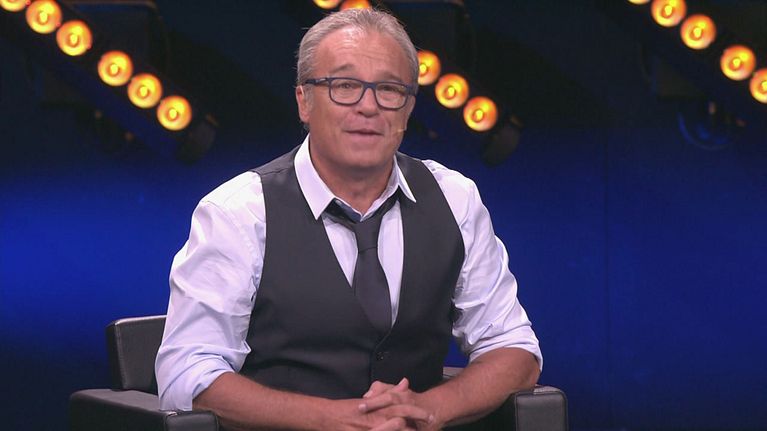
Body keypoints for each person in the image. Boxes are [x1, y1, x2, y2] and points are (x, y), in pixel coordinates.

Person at [156, 8, 542, 431]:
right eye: (344, 86)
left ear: (409, 108)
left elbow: (514, 348)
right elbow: (187, 374)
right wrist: (334, 421)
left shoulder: (455, 199)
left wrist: (428, 409)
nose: (368, 106)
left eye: (389, 89)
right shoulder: (239, 213)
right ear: (304, 101)